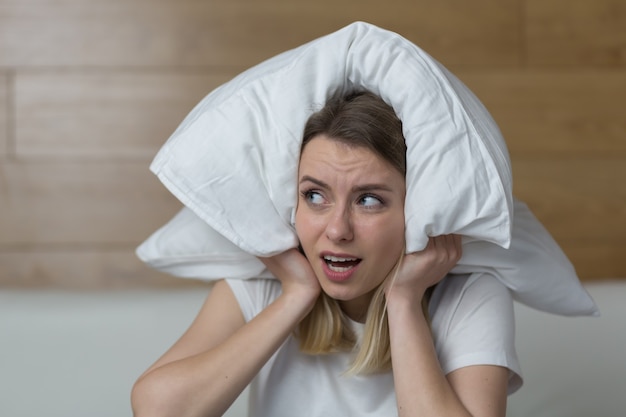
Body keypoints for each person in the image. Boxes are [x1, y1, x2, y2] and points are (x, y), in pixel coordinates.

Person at [131, 90, 521, 417]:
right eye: (314, 196)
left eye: (368, 200)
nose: (337, 230)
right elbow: (157, 410)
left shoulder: (471, 295)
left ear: (415, 211)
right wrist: (296, 296)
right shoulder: (257, 289)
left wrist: (403, 301)